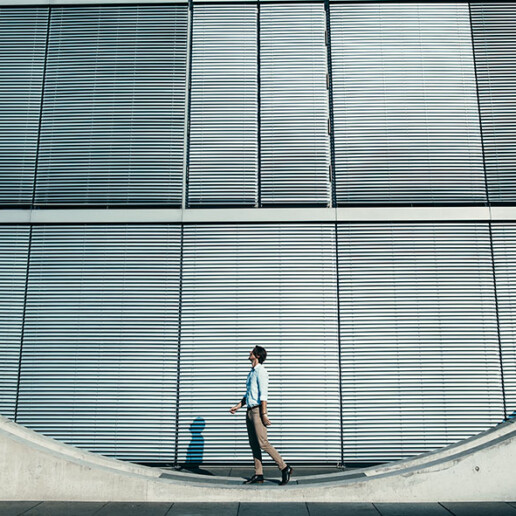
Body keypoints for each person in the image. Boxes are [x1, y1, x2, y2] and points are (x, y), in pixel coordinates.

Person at [229, 346, 293, 486]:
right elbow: (249, 394)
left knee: (263, 442)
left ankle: (284, 467)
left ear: (257, 355)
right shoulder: (251, 373)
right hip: (249, 411)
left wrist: (264, 414)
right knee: (254, 444)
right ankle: (259, 474)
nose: (249, 353)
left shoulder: (261, 372)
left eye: (252, 351)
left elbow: (264, 395)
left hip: (258, 411)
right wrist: (238, 406)